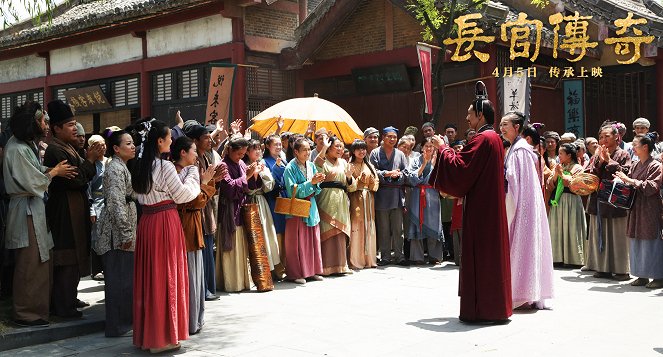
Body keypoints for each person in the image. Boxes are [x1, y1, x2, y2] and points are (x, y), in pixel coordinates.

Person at [428, 95, 512, 324]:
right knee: (490, 257)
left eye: (469, 114)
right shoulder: (494, 138)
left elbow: (461, 169)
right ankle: (494, 307)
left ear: (480, 115)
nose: (466, 118)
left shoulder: (483, 139)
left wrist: (443, 148)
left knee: (481, 255)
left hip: (481, 209)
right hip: (489, 206)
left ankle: (482, 309)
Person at [131, 119, 201, 353]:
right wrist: (193, 176)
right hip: (165, 221)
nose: (172, 141)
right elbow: (182, 196)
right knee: (167, 276)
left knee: (150, 278)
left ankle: (147, 336)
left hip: (147, 222)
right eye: (169, 138)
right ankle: (164, 337)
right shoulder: (165, 166)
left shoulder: (140, 165)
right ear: (159, 141)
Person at [4, 102, 75, 327]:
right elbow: (31, 181)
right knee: (30, 264)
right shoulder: (16, 148)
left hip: (33, 208)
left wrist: (50, 171)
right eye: (42, 121)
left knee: (40, 262)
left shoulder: (25, 146)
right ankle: (26, 313)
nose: (45, 125)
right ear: (31, 123)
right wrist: (54, 171)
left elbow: (34, 173)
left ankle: (38, 311)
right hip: (25, 210)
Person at [44, 100, 104, 318]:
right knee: (66, 257)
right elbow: (76, 180)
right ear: (56, 128)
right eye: (69, 125)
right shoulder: (54, 150)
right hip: (63, 211)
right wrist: (89, 160)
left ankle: (69, 298)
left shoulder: (68, 148)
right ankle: (62, 306)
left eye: (75, 124)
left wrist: (86, 164)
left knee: (75, 256)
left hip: (76, 208)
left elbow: (82, 175)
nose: (74, 128)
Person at [500, 112, 554, 310]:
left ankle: (520, 292)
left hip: (521, 206)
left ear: (517, 127)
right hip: (523, 204)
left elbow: (513, 181)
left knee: (521, 246)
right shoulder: (518, 148)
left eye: (505, 124)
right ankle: (527, 291)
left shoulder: (519, 150)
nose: (502, 128)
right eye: (500, 124)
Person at [94, 129, 137, 337]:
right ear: (116, 149)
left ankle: (123, 324)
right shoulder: (115, 168)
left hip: (121, 232)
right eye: (127, 143)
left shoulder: (122, 166)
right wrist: (126, 233)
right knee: (118, 280)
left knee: (124, 279)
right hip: (115, 234)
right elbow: (116, 202)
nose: (132, 146)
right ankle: (117, 326)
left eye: (132, 143)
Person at [172, 136, 217, 335]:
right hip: (185, 227)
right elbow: (193, 202)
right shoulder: (173, 172)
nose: (195, 156)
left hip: (193, 225)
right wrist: (206, 183)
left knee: (196, 275)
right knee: (189, 277)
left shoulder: (188, 170)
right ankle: (189, 321)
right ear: (182, 152)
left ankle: (196, 319)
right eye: (192, 151)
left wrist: (209, 182)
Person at [614, 133, 663, 289]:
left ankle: (658, 276)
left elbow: (651, 187)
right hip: (636, 207)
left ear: (645, 147)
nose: (633, 147)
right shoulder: (635, 165)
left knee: (651, 240)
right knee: (636, 239)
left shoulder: (655, 165)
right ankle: (641, 275)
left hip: (649, 207)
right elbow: (629, 182)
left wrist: (630, 181)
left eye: (635, 145)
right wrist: (621, 181)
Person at [584, 123, 631, 281]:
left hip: (615, 201)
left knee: (618, 236)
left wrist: (608, 160)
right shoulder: (595, 155)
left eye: (607, 136)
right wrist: (599, 161)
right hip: (599, 200)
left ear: (616, 137)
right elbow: (588, 173)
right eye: (601, 137)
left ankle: (621, 270)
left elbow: (625, 172)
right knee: (600, 233)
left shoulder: (623, 154)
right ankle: (602, 268)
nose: (603, 139)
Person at [184, 121, 223, 301]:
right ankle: (202, 288)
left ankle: (207, 287)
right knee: (201, 250)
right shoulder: (192, 162)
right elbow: (195, 187)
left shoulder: (205, 157)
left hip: (206, 206)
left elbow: (208, 182)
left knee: (207, 248)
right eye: (205, 137)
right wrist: (209, 181)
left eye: (210, 136)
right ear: (194, 141)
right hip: (197, 207)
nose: (210, 140)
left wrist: (214, 178)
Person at [283, 137, 325, 284]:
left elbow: (316, 188)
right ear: (296, 151)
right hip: (297, 207)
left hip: (311, 205)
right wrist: (310, 183)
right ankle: (296, 273)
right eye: (304, 150)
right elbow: (291, 190)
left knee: (313, 239)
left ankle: (313, 270)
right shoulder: (290, 168)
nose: (308, 152)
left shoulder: (311, 165)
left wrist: (318, 181)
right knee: (297, 242)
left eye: (309, 149)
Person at [315, 136, 355, 275]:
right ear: (329, 147)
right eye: (337, 146)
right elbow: (316, 166)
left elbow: (352, 186)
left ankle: (341, 266)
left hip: (342, 200)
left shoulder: (344, 162)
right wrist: (323, 147)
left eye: (341, 146)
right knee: (327, 229)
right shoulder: (323, 160)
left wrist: (349, 177)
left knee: (341, 231)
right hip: (326, 198)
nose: (340, 149)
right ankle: (325, 267)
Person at [217, 138, 253, 292]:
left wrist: (254, 174)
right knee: (230, 247)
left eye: (243, 154)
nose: (241, 157)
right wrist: (247, 177)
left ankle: (241, 281)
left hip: (240, 209)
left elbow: (249, 186)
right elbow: (229, 189)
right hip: (228, 211)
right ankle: (231, 283)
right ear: (230, 150)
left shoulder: (241, 163)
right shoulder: (223, 165)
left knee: (241, 246)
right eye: (239, 153)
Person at [370, 127, 408, 266]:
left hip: (396, 195)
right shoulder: (375, 153)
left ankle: (399, 255)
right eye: (389, 137)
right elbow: (372, 171)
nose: (392, 139)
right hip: (381, 194)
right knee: (384, 228)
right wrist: (386, 173)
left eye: (394, 137)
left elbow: (406, 172)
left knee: (398, 228)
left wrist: (398, 175)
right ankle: (385, 256)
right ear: (383, 137)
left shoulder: (400, 154)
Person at [244, 139, 282, 274]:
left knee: (266, 234)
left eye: (259, 148)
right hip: (249, 202)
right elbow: (245, 188)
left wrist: (260, 174)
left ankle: (268, 269)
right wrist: (252, 175)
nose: (258, 151)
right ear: (247, 151)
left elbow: (270, 186)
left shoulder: (262, 165)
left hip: (261, 201)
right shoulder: (244, 165)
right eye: (255, 149)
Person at [547, 143, 587, 266]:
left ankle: (573, 259)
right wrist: (555, 175)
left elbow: (576, 184)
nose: (559, 156)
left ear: (569, 155)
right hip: (558, 201)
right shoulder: (558, 166)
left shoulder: (577, 168)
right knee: (557, 227)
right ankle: (557, 257)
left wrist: (562, 175)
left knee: (571, 227)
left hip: (571, 200)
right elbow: (550, 183)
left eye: (561, 153)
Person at [405, 137, 444, 264]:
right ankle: (417, 257)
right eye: (426, 146)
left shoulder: (438, 160)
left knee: (434, 223)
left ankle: (435, 256)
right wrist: (423, 164)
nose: (428, 148)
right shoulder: (415, 160)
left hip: (432, 195)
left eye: (431, 146)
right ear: (421, 148)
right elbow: (411, 179)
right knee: (417, 223)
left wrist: (432, 164)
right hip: (418, 194)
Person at [347, 140, 379, 269]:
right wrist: (358, 181)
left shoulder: (369, 165)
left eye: (364, 149)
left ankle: (369, 259)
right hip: (356, 198)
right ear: (353, 151)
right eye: (359, 149)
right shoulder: (349, 165)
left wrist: (371, 181)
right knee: (357, 225)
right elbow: (349, 185)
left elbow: (376, 184)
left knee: (369, 226)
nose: (362, 151)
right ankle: (356, 260)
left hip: (369, 199)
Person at [262, 134, 287, 279]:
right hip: (273, 198)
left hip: (284, 197)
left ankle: (285, 264)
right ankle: (277, 268)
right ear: (267, 146)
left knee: (285, 232)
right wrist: (277, 169)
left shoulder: (284, 160)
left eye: (279, 144)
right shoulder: (265, 162)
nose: (278, 146)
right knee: (276, 232)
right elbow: (269, 183)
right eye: (275, 144)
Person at [87, 134, 108, 281]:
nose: (102, 147)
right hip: (97, 201)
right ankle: (96, 269)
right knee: (97, 236)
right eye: (98, 145)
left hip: (109, 202)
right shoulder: (91, 165)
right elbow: (88, 188)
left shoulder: (111, 161)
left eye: (104, 144)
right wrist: (91, 209)